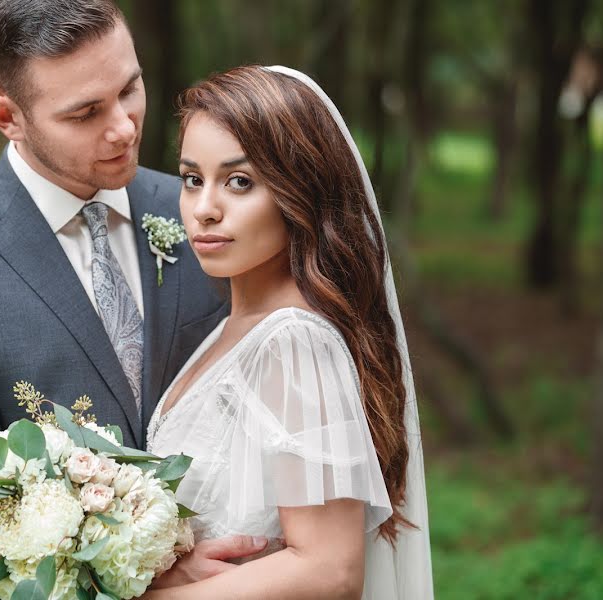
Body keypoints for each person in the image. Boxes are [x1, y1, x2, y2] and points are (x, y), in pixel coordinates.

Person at [0, 3, 265, 599]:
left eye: (130, 88)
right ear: (8, 117)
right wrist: (152, 569)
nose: (125, 127)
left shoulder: (206, 215)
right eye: (85, 113)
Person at [143, 66, 434, 599]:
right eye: (191, 178)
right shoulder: (233, 330)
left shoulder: (294, 342)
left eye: (239, 182)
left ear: (299, 190)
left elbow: (328, 571)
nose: (204, 209)